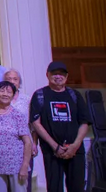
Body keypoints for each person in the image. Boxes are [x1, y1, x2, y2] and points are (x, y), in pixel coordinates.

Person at [30, 61, 90, 192]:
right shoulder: (40, 95)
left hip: (75, 151)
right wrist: (55, 146)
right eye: (54, 73)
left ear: (67, 76)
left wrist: (75, 146)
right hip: (51, 152)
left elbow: (84, 123)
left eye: (61, 74)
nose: (58, 76)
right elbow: (36, 123)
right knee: (54, 188)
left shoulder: (75, 95)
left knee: (77, 187)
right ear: (47, 75)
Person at [0, 80, 31, 192]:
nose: (5, 94)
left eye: (9, 92)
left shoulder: (18, 115)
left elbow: (27, 142)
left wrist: (25, 166)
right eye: (2, 91)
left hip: (16, 166)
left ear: (13, 95)